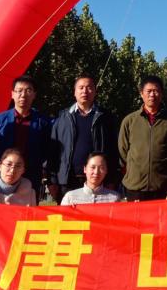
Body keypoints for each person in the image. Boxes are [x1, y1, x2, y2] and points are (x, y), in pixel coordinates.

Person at [48, 73, 119, 203]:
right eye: (81, 88)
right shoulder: (62, 118)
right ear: (74, 92)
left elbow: (113, 151)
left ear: (95, 91)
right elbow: (53, 152)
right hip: (68, 180)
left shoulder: (106, 118)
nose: (84, 91)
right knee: (68, 216)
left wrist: (112, 179)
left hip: (98, 180)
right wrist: (52, 181)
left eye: (89, 87)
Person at [0, 75, 52, 199]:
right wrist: (2, 167)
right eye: (19, 90)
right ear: (12, 94)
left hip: (31, 175)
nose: (23, 95)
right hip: (3, 176)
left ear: (34, 94)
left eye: (28, 90)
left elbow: (47, 149)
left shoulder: (43, 122)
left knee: (28, 209)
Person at [119, 75, 167, 200]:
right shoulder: (130, 121)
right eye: (148, 91)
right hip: (136, 186)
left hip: (164, 185)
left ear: (162, 94)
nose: (152, 95)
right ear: (141, 93)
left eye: (156, 91)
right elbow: (123, 151)